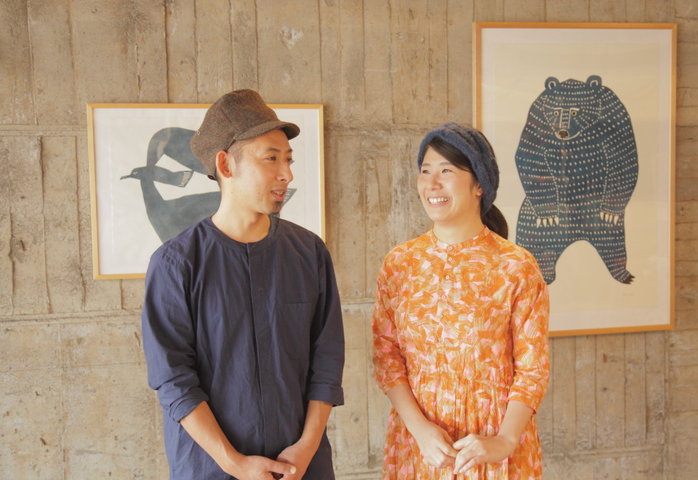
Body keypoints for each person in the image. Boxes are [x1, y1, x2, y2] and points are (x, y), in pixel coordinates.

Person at [142, 89, 345, 480]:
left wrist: (306, 448)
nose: (286, 174)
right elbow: (173, 379)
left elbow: (327, 360)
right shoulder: (176, 263)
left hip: (301, 466)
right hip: (211, 468)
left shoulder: (308, 252)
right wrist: (235, 464)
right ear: (225, 164)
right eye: (271, 158)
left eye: (288, 159)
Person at [372, 122, 550, 479]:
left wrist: (504, 440)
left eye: (447, 171)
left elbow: (533, 369)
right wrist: (420, 430)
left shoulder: (516, 266)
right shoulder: (400, 263)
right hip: (420, 446)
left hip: (490, 446)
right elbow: (387, 357)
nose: (432, 184)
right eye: (425, 171)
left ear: (479, 185)